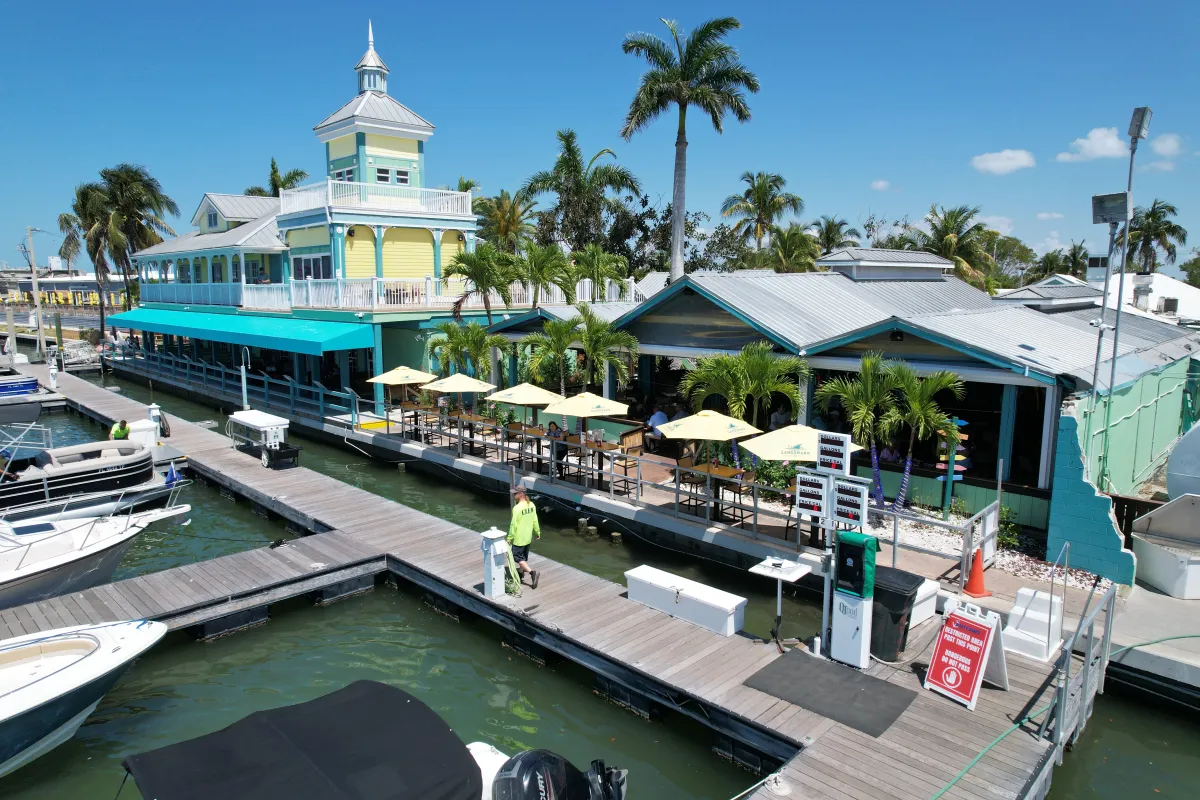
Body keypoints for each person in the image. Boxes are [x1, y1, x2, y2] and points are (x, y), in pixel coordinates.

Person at [507, 487, 541, 588]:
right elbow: (535, 520)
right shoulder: (531, 505)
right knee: (523, 557)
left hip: (519, 538)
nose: (513, 495)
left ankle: (532, 573)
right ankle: (521, 574)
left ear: (521, 494)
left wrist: (509, 538)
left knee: (517, 557)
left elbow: (514, 525)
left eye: (515, 494)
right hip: (527, 537)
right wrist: (537, 532)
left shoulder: (517, 508)